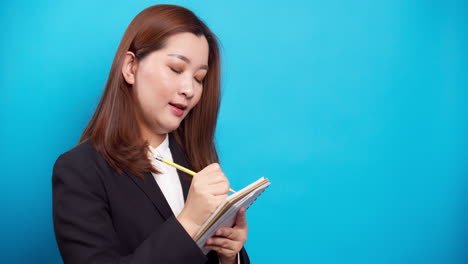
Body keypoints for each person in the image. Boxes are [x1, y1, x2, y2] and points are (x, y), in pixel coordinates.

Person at [52, 4, 249, 264]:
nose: (189, 89)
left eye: (199, 78)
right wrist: (189, 221)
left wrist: (229, 256)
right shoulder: (79, 171)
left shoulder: (195, 162)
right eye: (176, 69)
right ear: (131, 67)